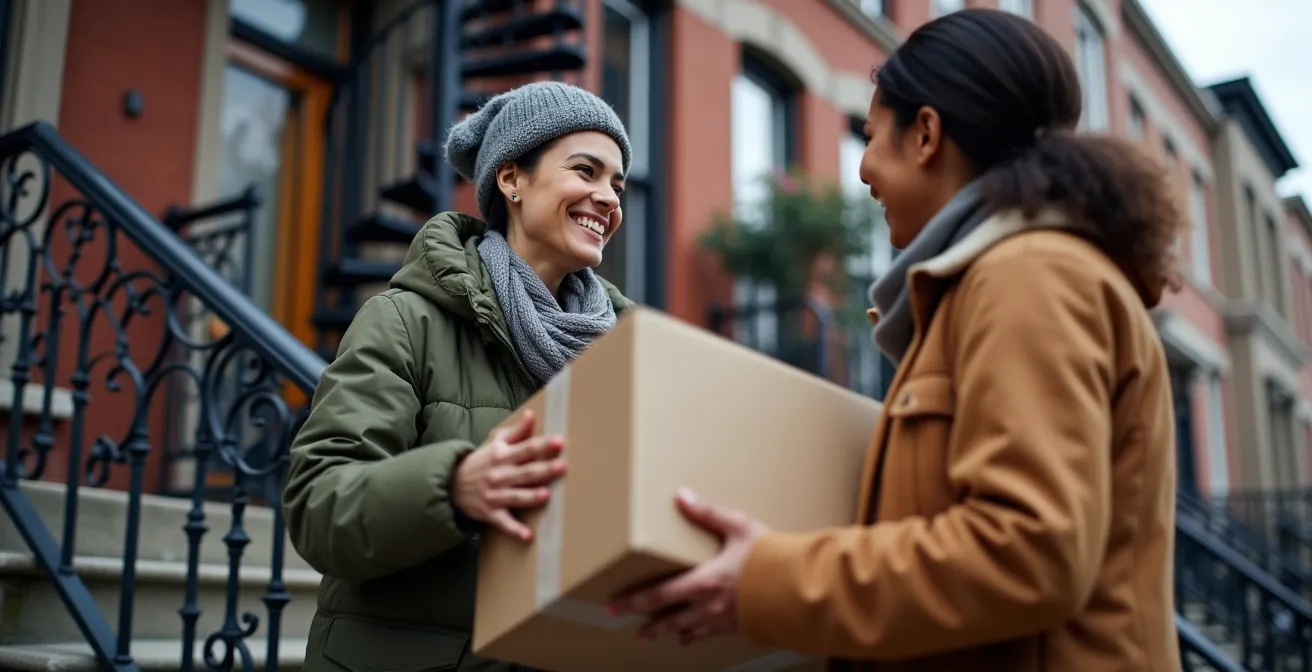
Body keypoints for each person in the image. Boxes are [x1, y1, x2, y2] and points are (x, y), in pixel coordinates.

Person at [609, 9, 1184, 670]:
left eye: (872, 137)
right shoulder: (1000, 279)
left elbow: (1027, 553)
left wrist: (767, 581)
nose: (862, 172)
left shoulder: (1029, 274)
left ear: (927, 135)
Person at [283, 81, 632, 672]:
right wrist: (452, 488)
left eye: (617, 184)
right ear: (511, 179)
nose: (608, 198)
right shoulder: (404, 320)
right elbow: (318, 508)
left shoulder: (623, 351)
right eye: (585, 171)